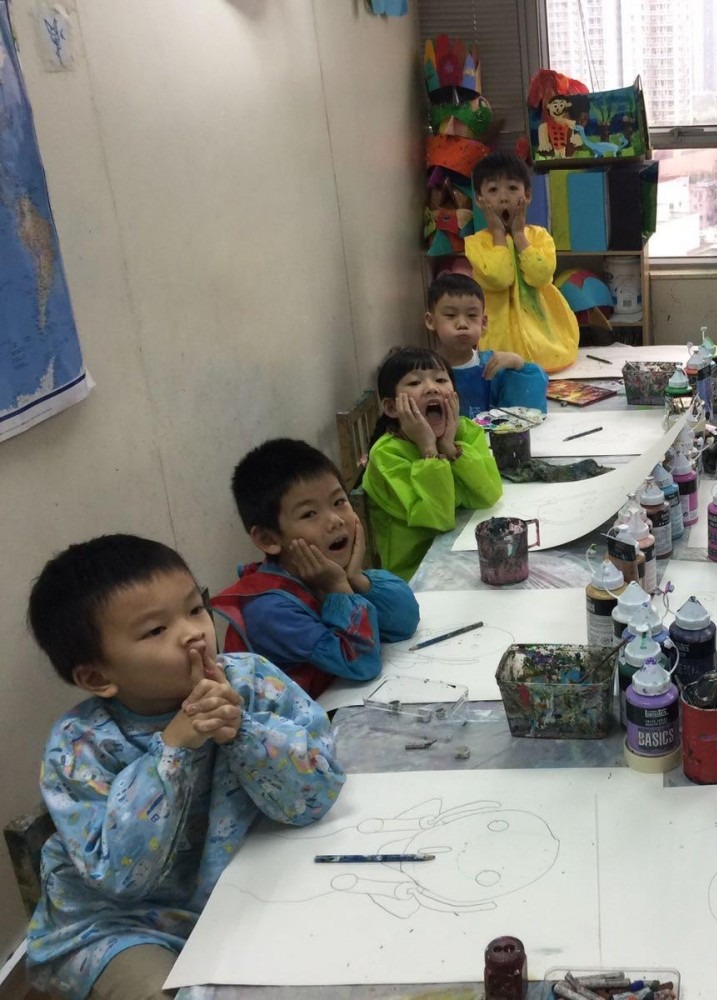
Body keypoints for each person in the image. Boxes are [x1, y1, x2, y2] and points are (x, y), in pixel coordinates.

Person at [24, 534, 344, 1000]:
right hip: (121, 926)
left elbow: (315, 797)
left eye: (195, 609)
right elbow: (121, 879)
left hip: (243, 889)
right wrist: (174, 747)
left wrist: (243, 732)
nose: (194, 633)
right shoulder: (79, 747)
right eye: (156, 630)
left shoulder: (252, 682)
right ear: (97, 676)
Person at [211, 438, 421, 699]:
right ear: (268, 539)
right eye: (309, 514)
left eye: (339, 502)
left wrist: (357, 579)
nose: (335, 520)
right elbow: (362, 663)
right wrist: (339, 588)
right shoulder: (270, 610)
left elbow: (405, 622)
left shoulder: (325, 572)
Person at [362, 346, 503, 581]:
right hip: (417, 574)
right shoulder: (387, 455)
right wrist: (429, 449)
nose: (432, 388)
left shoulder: (464, 431)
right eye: (415, 383)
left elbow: (488, 494)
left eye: (440, 379)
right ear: (392, 407)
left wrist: (449, 447)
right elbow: (439, 518)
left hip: (467, 553)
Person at [464, 152, 579, 373]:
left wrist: (518, 235)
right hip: (500, 341)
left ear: (527, 195)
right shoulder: (476, 243)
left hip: (545, 340)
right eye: (493, 190)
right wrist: (498, 234)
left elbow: (540, 276)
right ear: (479, 200)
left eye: (512, 188)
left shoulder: (540, 236)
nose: (504, 198)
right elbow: (499, 278)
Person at [424, 271, 549, 418]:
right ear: (431, 321)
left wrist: (518, 365)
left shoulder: (493, 366)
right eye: (451, 315)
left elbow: (526, 415)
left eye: (472, 315)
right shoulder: (422, 371)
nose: (462, 324)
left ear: (483, 323)